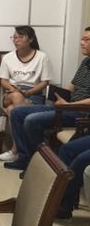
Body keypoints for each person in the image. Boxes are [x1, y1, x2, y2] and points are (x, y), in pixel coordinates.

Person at [5, 26, 90, 172]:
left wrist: (68, 105)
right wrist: (58, 95)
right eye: (82, 39)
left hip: (80, 111)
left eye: (86, 40)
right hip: (66, 105)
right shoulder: (86, 61)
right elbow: (72, 85)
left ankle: (40, 165)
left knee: (31, 120)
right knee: (17, 112)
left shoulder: (41, 57)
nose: (82, 43)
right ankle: (25, 158)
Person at [0, 25, 52, 162]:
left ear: (31, 39)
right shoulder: (8, 57)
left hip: (34, 95)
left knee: (12, 110)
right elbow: (3, 80)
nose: (16, 40)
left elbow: (45, 82)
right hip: (11, 93)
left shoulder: (42, 57)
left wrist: (28, 92)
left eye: (20, 37)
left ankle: (16, 151)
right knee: (16, 97)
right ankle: (26, 151)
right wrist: (15, 90)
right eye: (14, 37)